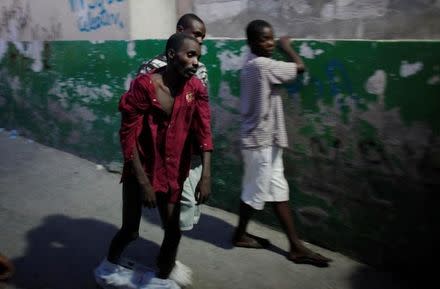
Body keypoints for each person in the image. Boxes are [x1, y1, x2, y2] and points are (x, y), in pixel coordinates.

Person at [95, 33, 213, 289]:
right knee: (130, 230)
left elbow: (204, 130)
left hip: (172, 171)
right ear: (172, 55)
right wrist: (143, 182)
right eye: (190, 55)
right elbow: (127, 136)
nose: (195, 62)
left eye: (198, 57)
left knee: (173, 231)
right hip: (141, 167)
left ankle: (161, 277)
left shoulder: (196, 88)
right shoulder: (144, 85)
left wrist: (205, 175)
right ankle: (107, 267)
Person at [232, 19, 332, 267]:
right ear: (252, 43)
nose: (271, 43)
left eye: (273, 38)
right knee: (254, 192)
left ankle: (295, 247)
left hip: (266, 139)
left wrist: (274, 46)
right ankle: (239, 235)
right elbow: (299, 68)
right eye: (265, 39)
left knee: (278, 190)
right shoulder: (263, 65)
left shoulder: (249, 61)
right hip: (259, 141)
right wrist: (287, 47)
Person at [137, 13, 208, 233]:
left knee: (191, 206)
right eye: (196, 34)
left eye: (203, 36)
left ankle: (168, 256)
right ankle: (167, 260)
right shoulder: (150, 70)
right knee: (176, 212)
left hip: (192, 148)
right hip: (169, 151)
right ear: (179, 31)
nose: (200, 40)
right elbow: (141, 119)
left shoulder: (199, 66)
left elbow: (201, 112)